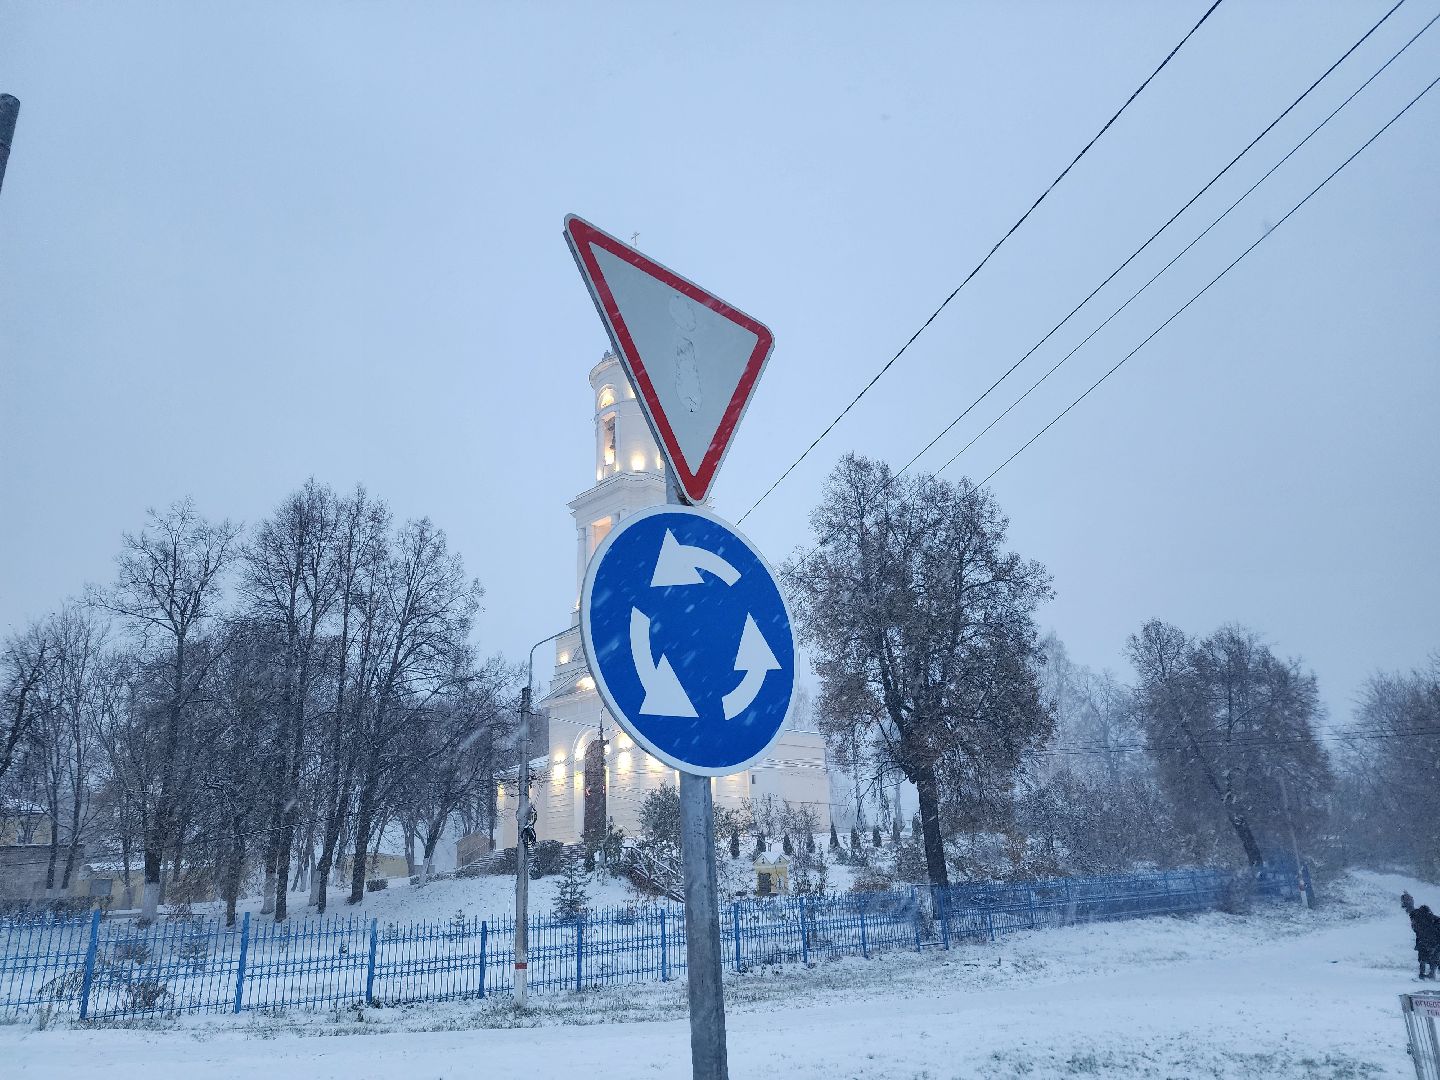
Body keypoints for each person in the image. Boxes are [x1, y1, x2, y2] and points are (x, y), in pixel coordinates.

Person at [1416, 905, 1440, 980]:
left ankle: (1422, 975)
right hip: (1434, 943)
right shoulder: (1435, 919)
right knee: (1433, 960)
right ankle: (1431, 974)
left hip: (1423, 943)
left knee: (1423, 959)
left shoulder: (1420, 920)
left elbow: (1417, 931)